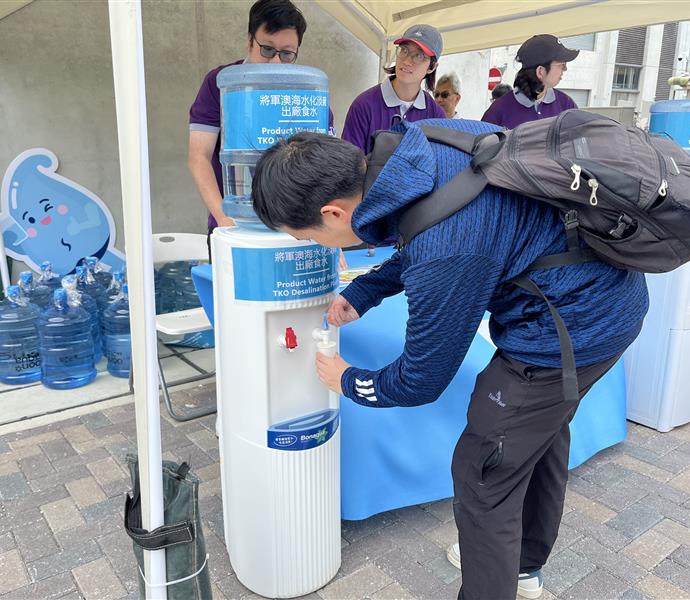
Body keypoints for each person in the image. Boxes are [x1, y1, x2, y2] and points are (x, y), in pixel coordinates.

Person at [249, 121, 648, 600]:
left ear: (333, 212)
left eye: (306, 236)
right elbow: (430, 224)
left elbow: (421, 378)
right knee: (535, 432)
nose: (313, 246)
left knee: (485, 469)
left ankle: (503, 577)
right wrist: (366, 291)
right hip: (611, 299)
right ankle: (523, 565)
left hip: (571, 330)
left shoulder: (445, 251)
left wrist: (349, 380)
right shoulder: (427, 143)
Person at [187, 0, 333, 256]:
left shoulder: (306, 94)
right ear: (249, 40)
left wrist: (329, 232)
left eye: (287, 54)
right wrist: (225, 221)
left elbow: (326, 169)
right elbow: (198, 156)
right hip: (237, 223)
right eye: (267, 49)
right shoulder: (220, 85)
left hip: (295, 229)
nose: (275, 63)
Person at [341, 24, 445, 154]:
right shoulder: (363, 105)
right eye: (404, 51)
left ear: (432, 67)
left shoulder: (436, 115)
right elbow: (348, 164)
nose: (407, 61)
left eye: (419, 56)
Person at [482, 35, 578, 129]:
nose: (565, 69)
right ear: (540, 71)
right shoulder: (498, 111)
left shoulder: (566, 105)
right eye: (561, 64)